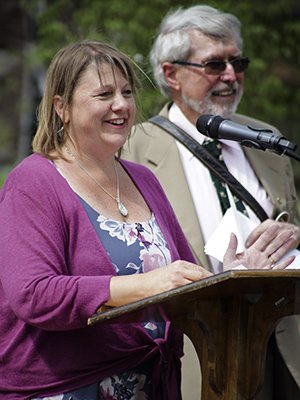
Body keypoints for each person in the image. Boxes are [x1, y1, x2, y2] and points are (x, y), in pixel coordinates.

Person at [0, 39, 295, 400]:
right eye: (104, 94)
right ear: (61, 106)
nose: (122, 105)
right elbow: (34, 294)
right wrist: (147, 284)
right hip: (67, 389)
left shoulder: (143, 179)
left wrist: (229, 275)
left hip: (154, 384)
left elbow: (180, 280)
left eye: (126, 92)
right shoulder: (34, 181)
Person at [122, 5, 300, 400]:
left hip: (283, 344)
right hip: (199, 351)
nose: (231, 76)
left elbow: (294, 221)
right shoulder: (131, 149)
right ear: (171, 74)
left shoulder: (265, 137)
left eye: (238, 62)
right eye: (214, 64)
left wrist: (291, 231)